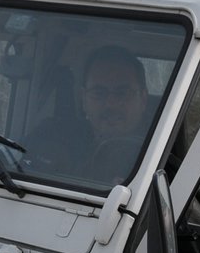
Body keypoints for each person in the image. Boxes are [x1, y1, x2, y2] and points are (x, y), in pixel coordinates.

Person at [29, 45, 150, 181]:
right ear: (83, 99)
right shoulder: (51, 134)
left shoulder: (160, 151)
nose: (111, 104)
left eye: (122, 93)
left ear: (143, 99)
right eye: (99, 93)